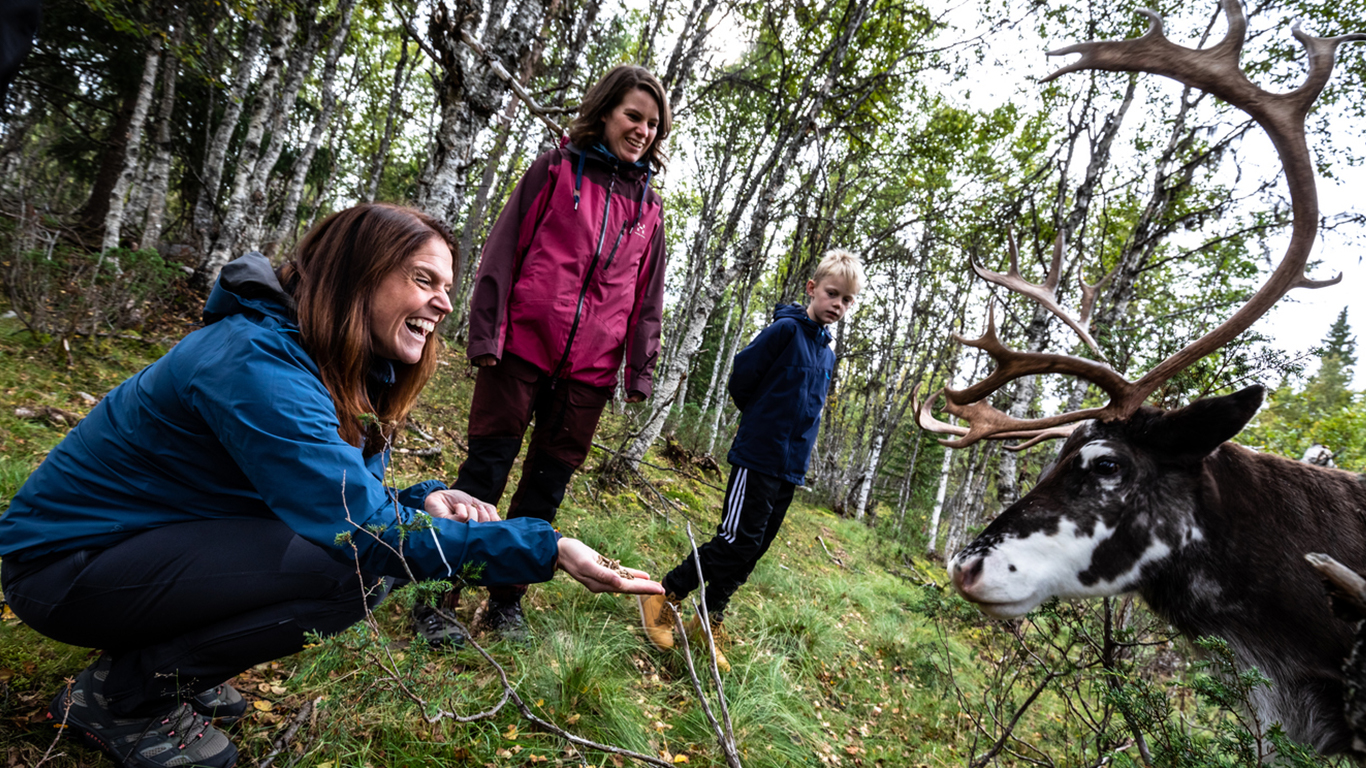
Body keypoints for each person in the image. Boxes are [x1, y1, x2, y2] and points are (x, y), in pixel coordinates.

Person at [0, 203, 663, 768]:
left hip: (135, 549)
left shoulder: (330, 365)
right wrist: (547, 548)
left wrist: (418, 498)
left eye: (447, 289)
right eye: (422, 279)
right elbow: (360, 533)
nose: (441, 302)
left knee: (351, 560)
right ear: (358, 276)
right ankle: (124, 697)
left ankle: (162, 665)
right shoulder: (259, 363)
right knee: (349, 572)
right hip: (62, 569)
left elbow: (336, 498)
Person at [423, 65, 671, 643]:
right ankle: (436, 598)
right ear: (607, 111)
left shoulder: (651, 210)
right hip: (521, 351)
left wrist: (638, 370)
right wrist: (486, 331)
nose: (641, 130)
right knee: (482, 477)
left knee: (545, 491)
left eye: (653, 124)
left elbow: (647, 298)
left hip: (589, 373)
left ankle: (504, 603)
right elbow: (503, 250)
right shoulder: (555, 170)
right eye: (633, 115)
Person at [637, 249, 865, 672]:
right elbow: (743, 378)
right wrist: (760, 422)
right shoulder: (785, 331)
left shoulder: (827, 354)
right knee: (734, 540)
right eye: (833, 294)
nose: (838, 305)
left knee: (754, 548)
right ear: (812, 290)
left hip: (789, 468)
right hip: (758, 457)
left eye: (847, 300)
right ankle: (664, 592)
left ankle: (708, 618)